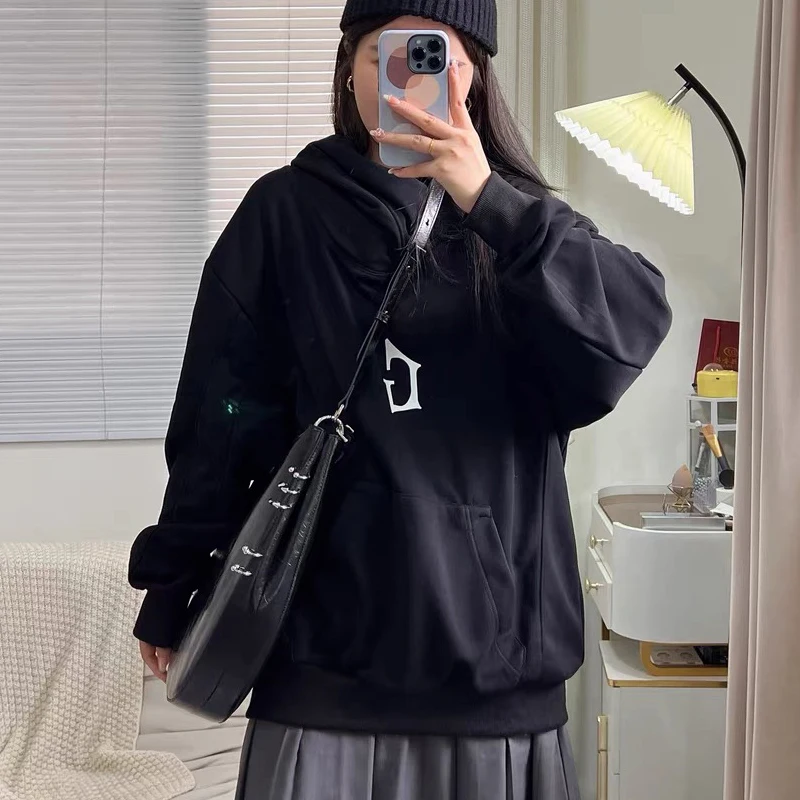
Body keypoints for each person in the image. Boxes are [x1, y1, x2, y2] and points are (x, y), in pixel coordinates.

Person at [128, 1, 672, 797]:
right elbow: (222, 414)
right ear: (350, 71)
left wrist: (488, 200)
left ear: (473, 77)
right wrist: (174, 579)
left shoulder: (524, 227)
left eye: (435, 53)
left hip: (497, 688)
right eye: (385, 51)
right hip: (320, 675)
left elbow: (627, 331)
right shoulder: (283, 214)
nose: (408, 73)